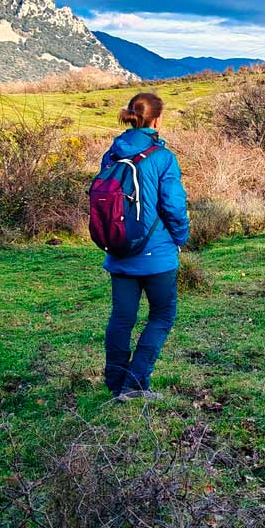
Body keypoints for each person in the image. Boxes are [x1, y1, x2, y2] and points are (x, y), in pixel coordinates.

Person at [101, 91, 189, 401]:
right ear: (156, 120)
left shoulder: (112, 153)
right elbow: (174, 206)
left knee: (121, 318)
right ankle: (136, 385)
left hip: (119, 250)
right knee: (162, 315)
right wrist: (180, 239)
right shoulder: (163, 157)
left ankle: (115, 385)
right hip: (157, 254)